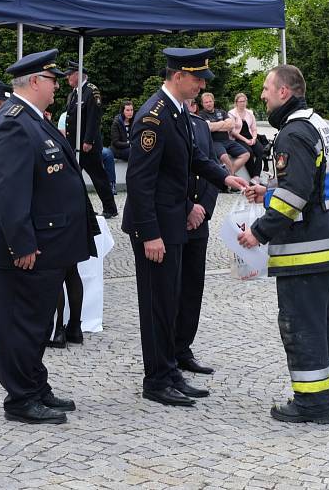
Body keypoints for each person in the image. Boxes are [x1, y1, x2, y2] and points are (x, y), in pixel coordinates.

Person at [0, 49, 100, 424]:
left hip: (47, 243)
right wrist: (23, 243)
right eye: (51, 79)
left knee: (37, 320)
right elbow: (8, 191)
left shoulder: (34, 119)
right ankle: (20, 398)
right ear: (34, 82)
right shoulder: (14, 122)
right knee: (21, 323)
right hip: (25, 248)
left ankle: (35, 384)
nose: (57, 85)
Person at [122, 47, 248, 407]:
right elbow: (140, 181)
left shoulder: (176, 112)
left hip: (173, 221)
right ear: (178, 76)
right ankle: (156, 380)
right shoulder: (153, 117)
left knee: (171, 299)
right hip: (156, 227)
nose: (201, 85)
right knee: (157, 303)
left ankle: (170, 370)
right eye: (196, 79)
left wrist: (227, 179)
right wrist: (150, 234)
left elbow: (194, 158)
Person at [238, 65, 329, 424]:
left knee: (301, 326)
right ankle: (328, 399)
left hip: (305, 247)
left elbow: (295, 195)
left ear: (284, 92)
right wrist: (267, 190)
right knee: (323, 325)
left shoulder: (293, 133)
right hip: (325, 243)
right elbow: (312, 183)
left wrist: (259, 231)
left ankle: (312, 405)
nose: (263, 95)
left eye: (267, 88)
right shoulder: (316, 123)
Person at [174, 98, 221, 375]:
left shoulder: (202, 126)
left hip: (199, 219)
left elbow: (213, 168)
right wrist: (188, 209)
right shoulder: (168, 123)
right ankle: (167, 350)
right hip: (176, 217)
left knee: (193, 288)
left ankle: (184, 348)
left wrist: (204, 209)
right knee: (173, 289)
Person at [64, 61, 119, 218]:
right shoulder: (74, 93)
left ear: (78, 74)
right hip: (75, 144)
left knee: (98, 177)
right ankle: (84, 209)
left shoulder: (91, 91)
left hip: (87, 146)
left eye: (70, 74)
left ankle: (110, 208)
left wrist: (88, 141)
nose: (67, 77)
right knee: (74, 178)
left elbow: (94, 119)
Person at [199, 92, 249, 175]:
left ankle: (230, 175)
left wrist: (215, 125)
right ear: (202, 104)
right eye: (206, 102)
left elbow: (231, 125)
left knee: (246, 154)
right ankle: (232, 178)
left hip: (227, 140)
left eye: (210, 101)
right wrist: (223, 123)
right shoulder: (201, 115)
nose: (208, 104)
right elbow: (208, 128)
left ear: (213, 101)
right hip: (214, 142)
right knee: (225, 157)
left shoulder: (221, 112)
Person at [228, 92, 267, 180]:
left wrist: (254, 138)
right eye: (240, 101)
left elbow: (254, 129)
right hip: (238, 138)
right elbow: (233, 132)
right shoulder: (231, 114)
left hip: (250, 137)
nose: (243, 103)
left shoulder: (250, 113)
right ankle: (253, 176)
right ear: (236, 102)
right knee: (249, 152)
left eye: (244, 101)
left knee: (260, 150)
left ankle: (256, 176)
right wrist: (246, 140)